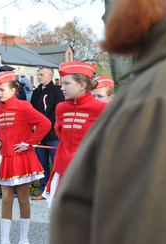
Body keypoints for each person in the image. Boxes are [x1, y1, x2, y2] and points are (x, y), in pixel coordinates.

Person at [50, 1, 166, 243]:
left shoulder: (156, 91)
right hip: (63, 168)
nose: (110, 14)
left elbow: (148, 215)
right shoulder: (149, 82)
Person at [0, 71, 51, 244]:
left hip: (22, 158)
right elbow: (2, 128)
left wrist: (30, 143)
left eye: (2, 89)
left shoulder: (24, 106)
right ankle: (4, 240)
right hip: (5, 158)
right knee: (6, 199)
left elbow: (45, 123)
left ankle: (24, 238)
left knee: (23, 199)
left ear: (13, 90)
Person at [44, 61, 106, 208]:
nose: (62, 88)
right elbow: (60, 133)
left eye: (66, 84)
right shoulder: (61, 108)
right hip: (62, 169)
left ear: (82, 85)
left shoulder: (101, 108)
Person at [30, 66, 65, 200]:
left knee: (56, 162)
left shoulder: (57, 91)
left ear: (50, 76)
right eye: (38, 74)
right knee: (42, 163)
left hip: (52, 133)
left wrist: (46, 124)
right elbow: (32, 110)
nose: (39, 77)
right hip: (39, 134)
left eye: (42, 74)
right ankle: (45, 190)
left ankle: (59, 189)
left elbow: (58, 111)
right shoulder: (36, 91)